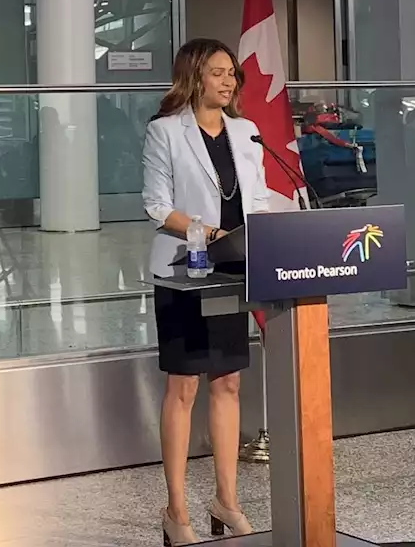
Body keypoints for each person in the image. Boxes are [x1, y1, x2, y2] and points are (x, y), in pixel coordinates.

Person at [142, 38, 272, 545]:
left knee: (228, 384)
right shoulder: (165, 132)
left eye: (232, 74)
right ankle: (176, 511)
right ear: (195, 76)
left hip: (235, 271)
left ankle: (226, 500)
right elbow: (156, 206)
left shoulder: (247, 132)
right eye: (219, 73)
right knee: (184, 387)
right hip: (184, 272)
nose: (229, 82)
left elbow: (257, 198)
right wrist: (209, 234)